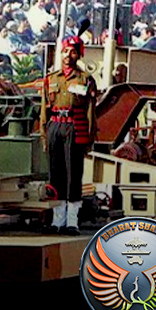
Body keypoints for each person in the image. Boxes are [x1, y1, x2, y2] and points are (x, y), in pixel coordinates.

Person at [41, 35, 97, 235]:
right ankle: (58, 220)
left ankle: (72, 221)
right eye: (65, 51)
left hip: (75, 127)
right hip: (55, 126)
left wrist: (90, 138)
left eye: (72, 52)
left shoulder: (85, 79)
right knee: (55, 173)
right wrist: (44, 134)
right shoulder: (51, 79)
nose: (68, 55)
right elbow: (44, 109)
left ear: (79, 54)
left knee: (73, 173)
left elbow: (90, 110)